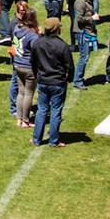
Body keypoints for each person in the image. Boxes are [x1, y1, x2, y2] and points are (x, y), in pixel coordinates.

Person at [30, 17, 73, 147]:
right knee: (55, 111)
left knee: (41, 110)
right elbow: (69, 66)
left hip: (43, 81)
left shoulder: (37, 43)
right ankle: (53, 140)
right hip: (58, 83)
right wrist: (69, 78)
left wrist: (36, 74)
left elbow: (33, 62)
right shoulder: (62, 45)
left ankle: (36, 139)